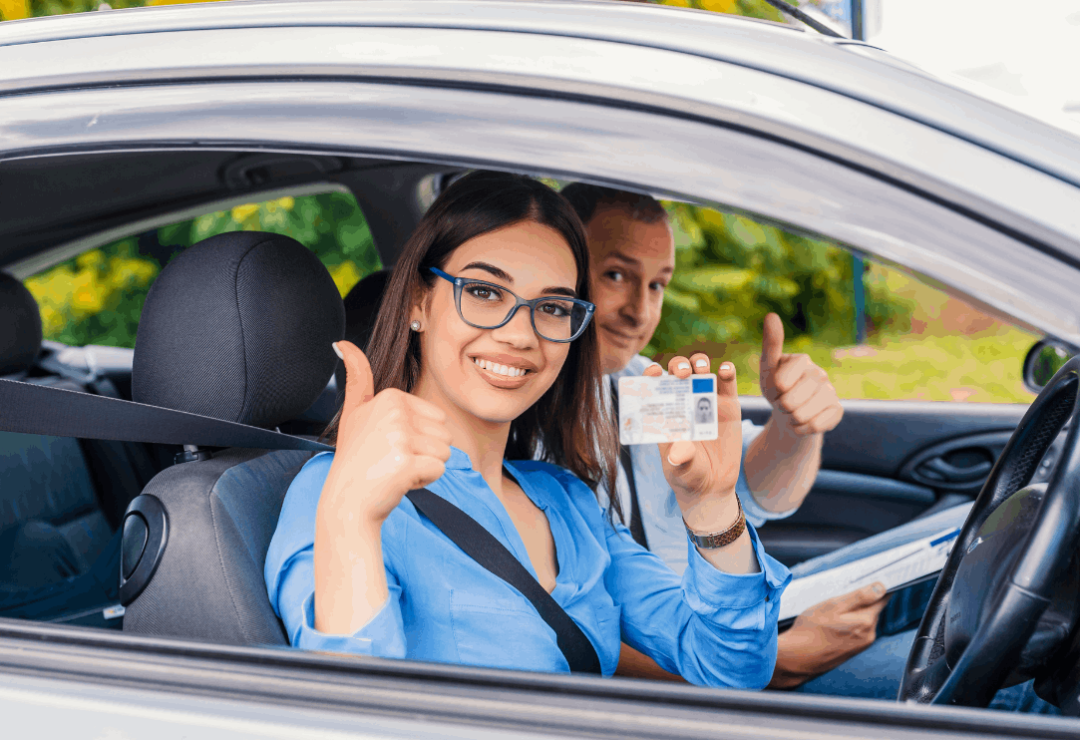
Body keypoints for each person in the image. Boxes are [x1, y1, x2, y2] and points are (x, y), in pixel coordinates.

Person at [264, 171, 790, 684]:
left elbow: (729, 668)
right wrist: (350, 515)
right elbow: (349, 717)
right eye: (485, 292)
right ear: (418, 302)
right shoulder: (337, 491)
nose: (520, 334)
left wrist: (712, 508)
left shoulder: (566, 501)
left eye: (553, 306)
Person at [561, 183, 1056, 712]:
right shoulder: (523, 442)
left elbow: (756, 491)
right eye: (616, 275)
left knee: (964, 529)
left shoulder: (639, 384)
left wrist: (795, 426)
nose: (640, 310)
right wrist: (778, 663)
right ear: (563, 268)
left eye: (658, 285)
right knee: (1019, 691)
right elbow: (575, 639)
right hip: (700, 670)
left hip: (728, 615)